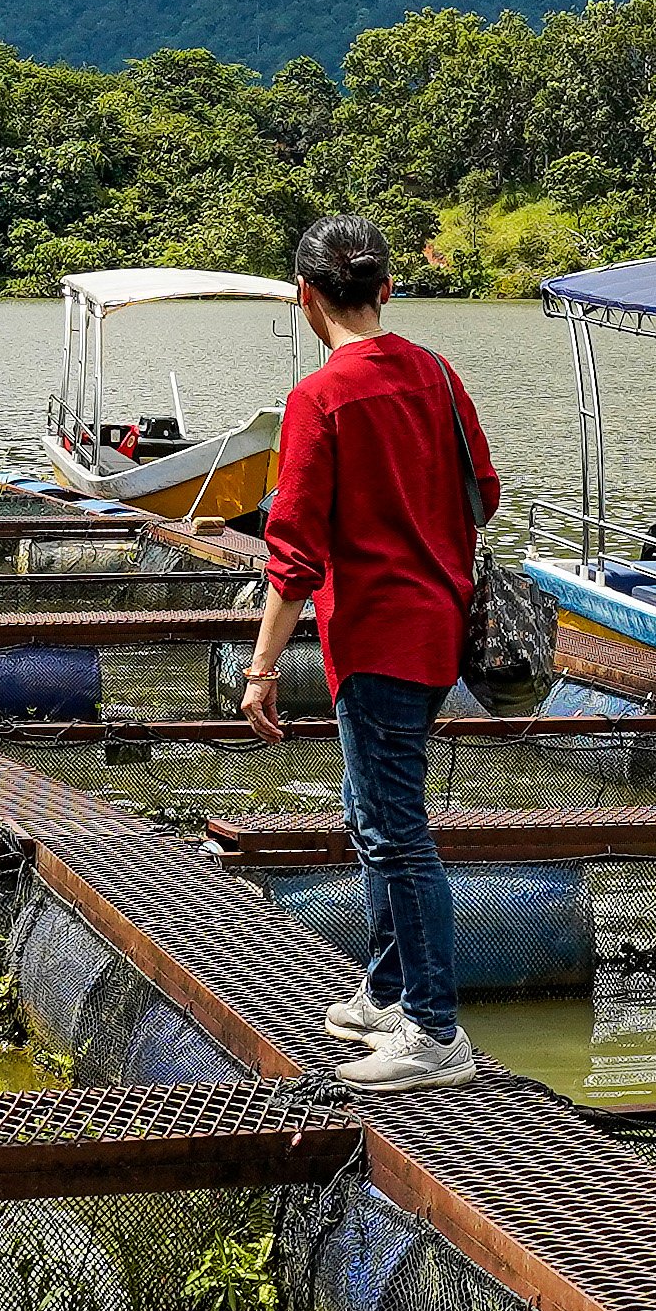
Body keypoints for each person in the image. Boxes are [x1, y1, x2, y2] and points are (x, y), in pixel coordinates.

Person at [239, 212, 505, 1095]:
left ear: (305, 299)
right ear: (386, 288)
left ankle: (434, 1031)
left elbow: (294, 550)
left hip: (379, 637)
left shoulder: (320, 397)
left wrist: (262, 667)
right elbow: (487, 493)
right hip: (438, 631)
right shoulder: (436, 371)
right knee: (371, 818)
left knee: (397, 833)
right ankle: (386, 993)